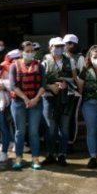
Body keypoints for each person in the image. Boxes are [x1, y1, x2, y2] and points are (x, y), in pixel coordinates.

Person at [9, 41, 46, 170]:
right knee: (20, 132)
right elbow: (13, 85)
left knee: (33, 132)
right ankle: (18, 158)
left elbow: (43, 85)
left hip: (35, 103)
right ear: (21, 52)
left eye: (32, 51)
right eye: (27, 51)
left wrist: (35, 99)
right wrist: (25, 98)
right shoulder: (14, 66)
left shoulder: (39, 66)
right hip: (19, 103)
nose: (30, 53)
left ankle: (35, 159)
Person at [41, 37, 76, 167]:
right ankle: (50, 154)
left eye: (61, 46)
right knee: (51, 128)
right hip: (49, 98)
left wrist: (67, 84)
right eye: (56, 46)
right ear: (50, 47)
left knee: (65, 128)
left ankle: (62, 155)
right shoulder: (44, 62)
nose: (59, 48)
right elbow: (40, 81)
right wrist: (50, 87)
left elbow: (74, 79)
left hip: (66, 98)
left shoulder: (70, 60)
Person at [63, 34, 85, 148]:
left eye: (69, 43)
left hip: (75, 93)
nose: (67, 46)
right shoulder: (60, 56)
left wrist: (80, 90)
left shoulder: (80, 58)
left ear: (75, 45)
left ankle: (70, 142)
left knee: (71, 117)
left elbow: (82, 76)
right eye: (65, 43)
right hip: (60, 92)